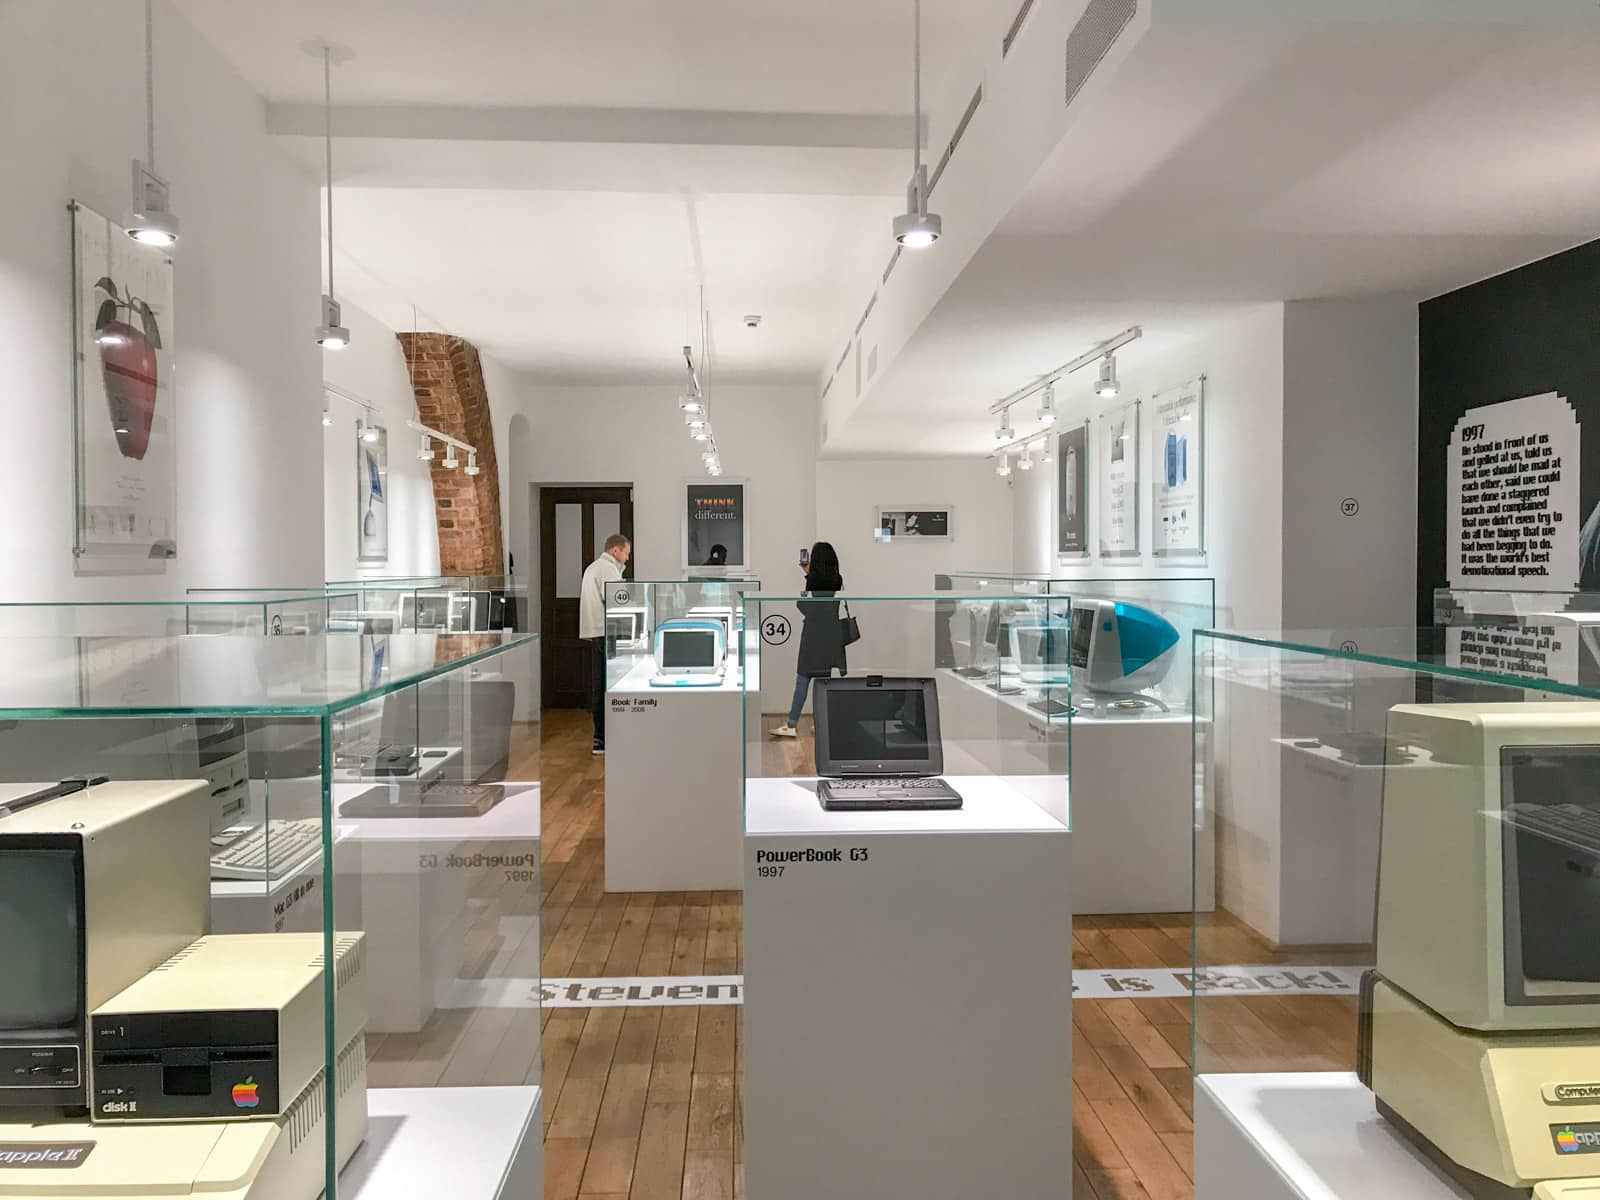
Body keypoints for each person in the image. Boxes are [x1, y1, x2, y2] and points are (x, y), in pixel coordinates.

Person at [771, 541, 845, 738]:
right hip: (830, 636)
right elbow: (827, 606)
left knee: (803, 680)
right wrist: (807, 573)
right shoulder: (837, 579)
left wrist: (801, 596)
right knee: (823, 682)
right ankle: (821, 724)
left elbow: (810, 608)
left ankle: (791, 724)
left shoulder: (813, 580)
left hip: (812, 635)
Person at [579, 533, 631, 755]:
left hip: (597, 631)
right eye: (626, 553)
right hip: (607, 632)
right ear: (615, 550)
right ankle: (604, 737)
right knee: (609, 686)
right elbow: (618, 601)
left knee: (599, 683)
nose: (627, 559)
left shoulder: (594, 567)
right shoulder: (607, 570)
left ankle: (600, 738)